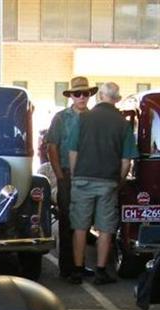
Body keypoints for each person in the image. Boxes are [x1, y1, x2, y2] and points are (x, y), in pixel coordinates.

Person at [68, 82, 138, 285]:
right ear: (116, 99)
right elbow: (126, 161)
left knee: (80, 226)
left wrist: (75, 175)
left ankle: (77, 271)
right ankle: (100, 272)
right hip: (108, 181)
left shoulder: (83, 118)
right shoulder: (123, 124)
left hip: (82, 178)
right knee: (106, 228)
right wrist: (119, 181)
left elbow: (73, 151)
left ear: (99, 97)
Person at [46, 76, 97, 280]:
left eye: (85, 93)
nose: (82, 97)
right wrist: (59, 174)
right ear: (71, 96)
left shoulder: (94, 118)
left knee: (83, 222)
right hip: (67, 174)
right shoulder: (60, 118)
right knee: (67, 220)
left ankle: (79, 264)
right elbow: (52, 147)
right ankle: (67, 268)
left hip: (89, 174)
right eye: (78, 93)